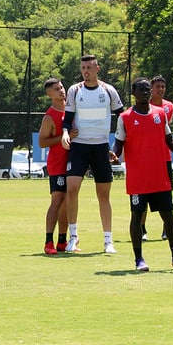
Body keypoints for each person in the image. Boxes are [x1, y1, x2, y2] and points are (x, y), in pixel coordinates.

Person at [111, 77, 173, 271]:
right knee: (136, 217)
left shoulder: (160, 114)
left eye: (148, 90)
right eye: (141, 90)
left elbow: (170, 140)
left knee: (169, 217)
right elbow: (118, 143)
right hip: (138, 179)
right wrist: (114, 154)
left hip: (160, 177)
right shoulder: (125, 117)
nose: (146, 93)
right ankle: (139, 260)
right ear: (133, 93)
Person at [60, 55, 124, 254]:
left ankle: (108, 241)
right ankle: (73, 237)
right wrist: (64, 134)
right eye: (83, 68)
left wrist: (116, 147)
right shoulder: (74, 90)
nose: (86, 71)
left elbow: (122, 117)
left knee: (103, 195)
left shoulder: (108, 91)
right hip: (79, 147)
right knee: (72, 189)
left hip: (100, 147)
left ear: (98, 68)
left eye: (89, 67)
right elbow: (68, 118)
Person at [38, 78, 77, 255]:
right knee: (57, 200)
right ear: (49, 94)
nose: (61, 90)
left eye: (62, 87)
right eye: (56, 89)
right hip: (57, 164)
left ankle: (63, 240)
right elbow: (42, 142)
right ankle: (48, 242)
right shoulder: (50, 116)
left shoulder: (71, 109)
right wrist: (63, 137)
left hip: (73, 163)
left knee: (67, 202)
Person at [142, 74, 173, 241]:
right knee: (143, 194)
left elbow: (167, 133)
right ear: (151, 89)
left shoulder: (169, 107)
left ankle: (167, 230)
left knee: (167, 194)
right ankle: (142, 229)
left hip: (163, 157)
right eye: (158, 86)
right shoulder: (144, 106)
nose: (161, 90)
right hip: (145, 159)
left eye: (163, 87)